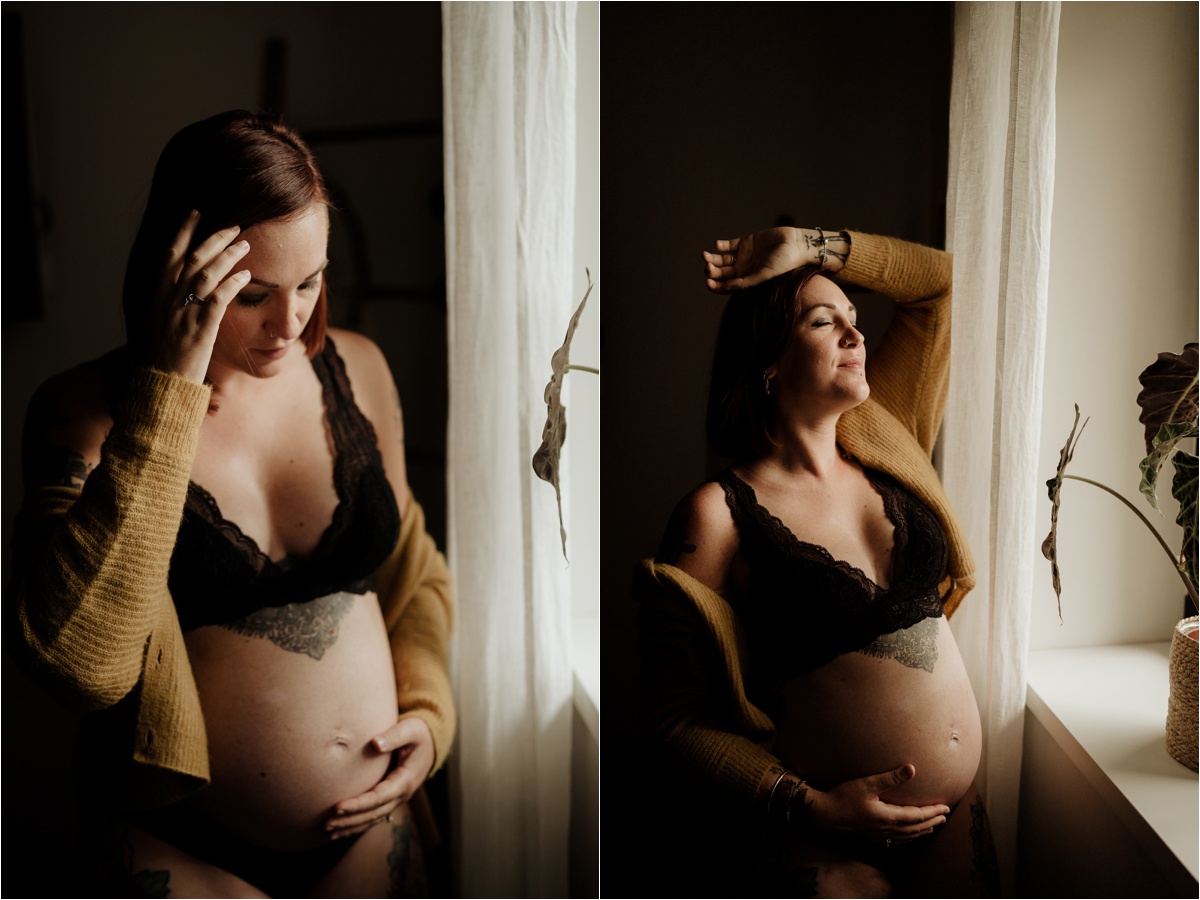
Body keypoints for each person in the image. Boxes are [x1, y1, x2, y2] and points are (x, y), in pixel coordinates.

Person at [11, 111, 454, 898]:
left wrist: (428, 714)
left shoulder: (360, 368)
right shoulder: (80, 411)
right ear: (178, 270)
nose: (290, 323)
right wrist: (166, 393)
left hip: (370, 834)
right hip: (183, 845)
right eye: (253, 294)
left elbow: (415, 578)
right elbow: (79, 664)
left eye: (312, 281)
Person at [635, 226, 999, 897]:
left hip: (954, 823)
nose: (854, 337)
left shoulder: (888, 440)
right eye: (824, 322)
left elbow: (937, 285)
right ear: (768, 362)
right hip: (827, 843)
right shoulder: (716, 515)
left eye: (855, 321)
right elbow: (671, 719)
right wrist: (811, 806)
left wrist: (806, 245)